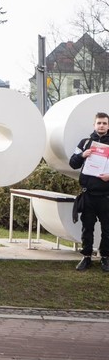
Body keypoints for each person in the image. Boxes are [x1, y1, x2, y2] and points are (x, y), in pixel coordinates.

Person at [69, 112, 109, 272]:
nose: (101, 126)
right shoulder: (85, 143)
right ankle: (86, 257)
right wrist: (82, 155)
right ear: (94, 125)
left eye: (104, 123)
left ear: (108, 125)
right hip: (88, 194)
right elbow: (73, 163)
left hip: (106, 196)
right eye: (99, 123)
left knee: (107, 229)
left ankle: (105, 257)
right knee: (87, 228)